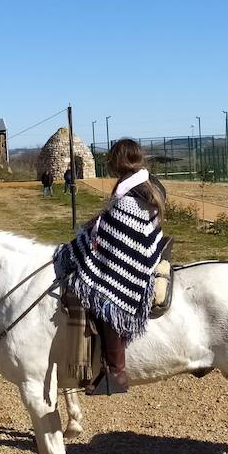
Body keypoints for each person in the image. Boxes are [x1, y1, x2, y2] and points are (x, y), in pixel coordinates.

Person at [54, 138, 166, 395]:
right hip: (140, 251)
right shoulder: (143, 186)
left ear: (119, 161)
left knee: (105, 290)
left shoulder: (131, 198)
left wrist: (76, 246)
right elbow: (107, 225)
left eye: (111, 159)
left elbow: (106, 238)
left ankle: (116, 371)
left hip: (133, 259)